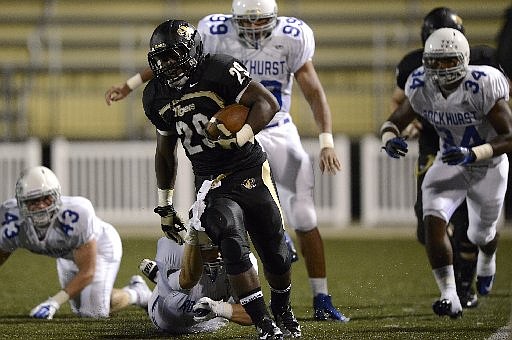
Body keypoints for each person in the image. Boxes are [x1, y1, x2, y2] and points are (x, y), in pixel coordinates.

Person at [105, 0, 347, 322]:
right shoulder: (206, 40)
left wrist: (325, 140)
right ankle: (231, 257)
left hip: (271, 124)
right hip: (220, 137)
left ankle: (320, 295)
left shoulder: (284, 39)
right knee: (220, 227)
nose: (253, 28)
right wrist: (130, 84)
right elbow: (170, 62)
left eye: (261, 21)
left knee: (300, 212)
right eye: (247, 21)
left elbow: (305, 93)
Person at [141, 19, 300, 339]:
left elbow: (267, 103)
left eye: (175, 55)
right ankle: (265, 325)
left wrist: (241, 135)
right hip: (211, 182)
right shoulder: (156, 94)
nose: (168, 65)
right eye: (161, 58)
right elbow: (165, 152)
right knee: (230, 241)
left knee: (276, 253)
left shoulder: (220, 69)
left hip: (250, 169)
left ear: (194, 51)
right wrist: (165, 205)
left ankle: (283, 310)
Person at [381, 27, 512, 318]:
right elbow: (394, 120)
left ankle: (487, 259)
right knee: (432, 218)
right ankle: (449, 294)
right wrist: (388, 139)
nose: (441, 69)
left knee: (481, 233)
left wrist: (473, 153)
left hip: (487, 166)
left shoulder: (483, 83)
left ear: (463, 59)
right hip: (449, 160)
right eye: (435, 62)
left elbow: (509, 136)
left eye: (448, 61)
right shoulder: (420, 84)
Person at [0, 166, 152, 319]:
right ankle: (123, 292)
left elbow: (88, 271)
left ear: (56, 196)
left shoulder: (77, 212)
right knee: (81, 309)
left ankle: (137, 294)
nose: (40, 206)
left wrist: (54, 301)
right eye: (33, 201)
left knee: (94, 312)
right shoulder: (10, 218)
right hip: (68, 255)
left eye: (46, 199)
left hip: (101, 246)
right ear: (21, 202)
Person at [139, 236, 256, 334]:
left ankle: (161, 275)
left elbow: (254, 313)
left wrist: (219, 308)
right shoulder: (182, 252)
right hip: (165, 321)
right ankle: (158, 279)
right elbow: (186, 280)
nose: (217, 251)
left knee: (241, 296)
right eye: (210, 244)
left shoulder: (243, 259)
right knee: (175, 287)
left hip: (209, 323)